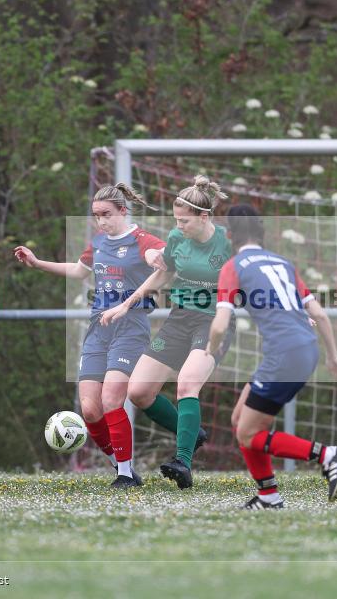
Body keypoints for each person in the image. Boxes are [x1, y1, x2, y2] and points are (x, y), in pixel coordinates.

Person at [13, 183, 166, 488]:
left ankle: (125, 475)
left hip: (131, 327)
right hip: (99, 328)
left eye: (106, 214)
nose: (101, 221)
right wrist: (37, 262)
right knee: (91, 408)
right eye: (96, 216)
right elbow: (78, 271)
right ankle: (120, 466)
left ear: (123, 211)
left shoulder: (142, 240)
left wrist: (156, 258)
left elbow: (159, 257)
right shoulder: (98, 243)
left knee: (112, 398)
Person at [206, 204, 337, 509]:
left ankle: (326, 455)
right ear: (262, 233)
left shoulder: (234, 266)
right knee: (239, 421)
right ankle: (269, 497)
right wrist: (333, 357)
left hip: (284, 355)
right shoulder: (282, 262)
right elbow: (320, 314)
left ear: (229, 235)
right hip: (303, 349)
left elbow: (220, 324)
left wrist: (210, 349)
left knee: (248, 434)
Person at [100, 175, 234, 489]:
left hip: (213, 323)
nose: (179, 226)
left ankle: (183, 462)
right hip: (178, 321)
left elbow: (257, 276)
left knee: (187, 383)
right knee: (138, 391)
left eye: (185, 221)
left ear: (204, 217)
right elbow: (163, 275)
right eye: (176, 220)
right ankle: (191, 431)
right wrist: (126, 305)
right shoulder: (176, 238)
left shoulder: (228, 242)